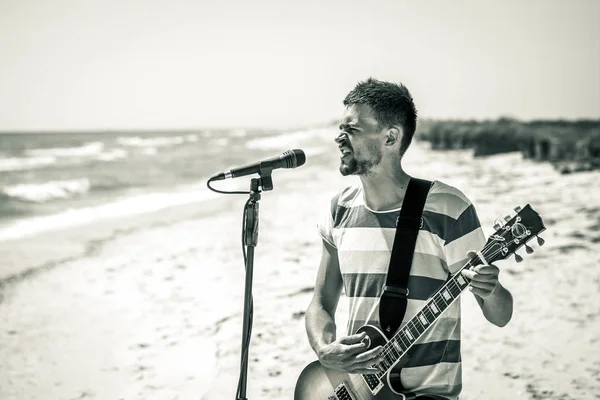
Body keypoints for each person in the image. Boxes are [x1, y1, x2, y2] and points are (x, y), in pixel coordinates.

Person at [304, 78, 514, 399]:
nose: (339, 137)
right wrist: (323, 348)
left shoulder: (447, 208)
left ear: (391, 137)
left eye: (352, 129)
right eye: (340, 127)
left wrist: (491, 289)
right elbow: (321, 301)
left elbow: (500, 315)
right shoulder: (339, 210)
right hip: (356, 390)